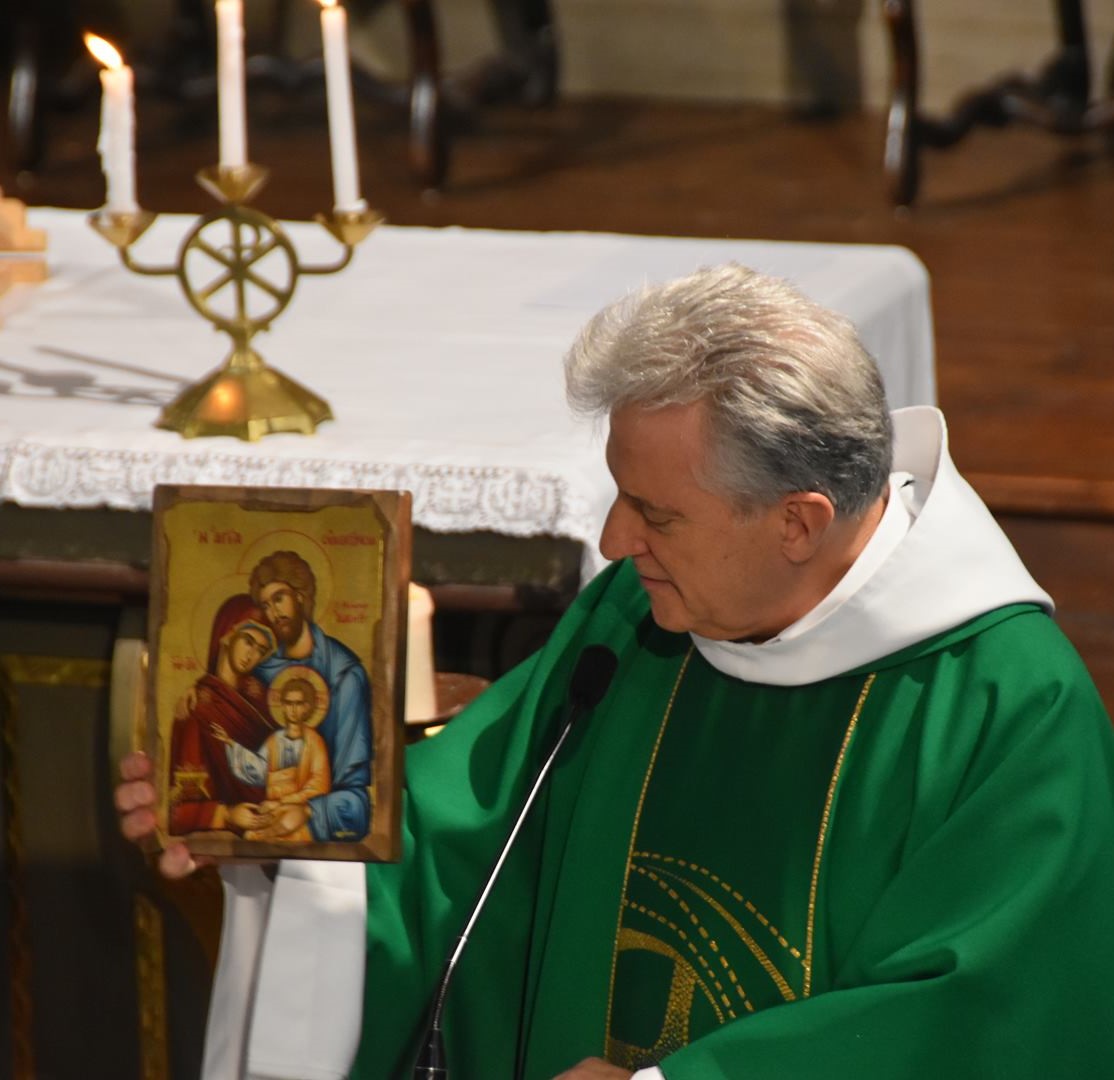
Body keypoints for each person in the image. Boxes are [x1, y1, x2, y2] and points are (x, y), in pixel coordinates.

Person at [117, 264, 1114, 1080]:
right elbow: (460, 834)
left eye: (657, 512)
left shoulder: (1006, 712)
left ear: (799, 521)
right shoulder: (639, 617)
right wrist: (272, 823)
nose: (610, 537)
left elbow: (982, 1022)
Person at [246, 550, 373, 843]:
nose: (273, 613)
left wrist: (309, 812)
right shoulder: (259, 676)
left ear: (301, 596)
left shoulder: (344, 677)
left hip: (326, 868)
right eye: (265, 605)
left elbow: (356, 807)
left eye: (279, 598)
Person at [166, 593, 277, 835]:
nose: (252, 655)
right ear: (228, 635)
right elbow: (176, 811)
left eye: (261, 649)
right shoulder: (198, 707)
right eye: (248, 641)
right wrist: (225, 815)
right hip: (226, 842)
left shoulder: (260, 697)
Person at [212, 671, 333, 842]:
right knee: (252, 836)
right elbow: (259, 769)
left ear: (307, 707)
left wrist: (283, 802)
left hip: (295, 810)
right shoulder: (274, 740)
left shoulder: (315, 741)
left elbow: (319, 785)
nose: (293, 709)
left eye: (298, 704)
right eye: (288, 703)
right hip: (270, 808)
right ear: (282, 705)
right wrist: (231, 743)